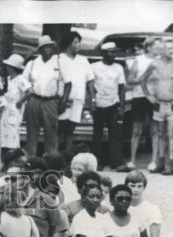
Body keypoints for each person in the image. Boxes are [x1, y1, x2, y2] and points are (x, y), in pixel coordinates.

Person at [140, 39, 173, 175]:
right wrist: (148, 95)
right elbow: (142, 79)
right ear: (162, 50)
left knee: (170, 134)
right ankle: (160, 162)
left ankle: (170, 164)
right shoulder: (154, 64)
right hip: (159, 103)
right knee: (159, 134)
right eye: (169, 48)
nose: (172, 51)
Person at [22, 36, 68, 156]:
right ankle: (30, 160)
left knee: (51, 133)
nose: (48, 49)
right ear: (39, 49)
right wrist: (27, 92)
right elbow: (22, 81)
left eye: (50, 47)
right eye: (44, 47)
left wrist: (63, 101)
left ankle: (51, 160)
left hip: (51, 101)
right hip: (34, 100)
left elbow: (69, 83)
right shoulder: (32, 63)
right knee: (32, 133)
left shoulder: (59, 63)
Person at [90, 43, 128, 171]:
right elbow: (90, 85)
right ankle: (98, 162)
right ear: (103, 53)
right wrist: (92, 100)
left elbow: (122, 88)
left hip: (114, 104)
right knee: (97, 135)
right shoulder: (94, 67)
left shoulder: (119, 67)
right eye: (110, 52)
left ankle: (116, 162)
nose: (114, 55)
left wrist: (122, 106)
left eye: (115, 52)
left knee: (116, 135)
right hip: (99, 104)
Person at [57, 31, 94, 151]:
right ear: (69, 44)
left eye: (79, 42)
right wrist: (61, 100)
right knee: (59, 129)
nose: (79, 45)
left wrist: (92, 99)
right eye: (76, 43)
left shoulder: (83, 60)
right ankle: (55, 158)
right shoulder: (59, 59)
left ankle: (68, 157)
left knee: (70, 130)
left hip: (78, 100)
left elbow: (90, 81)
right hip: (63, 100)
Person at [125, 37, 156, 170]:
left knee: (155, 130)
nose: (158, 49)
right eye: (156, 47)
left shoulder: (159, 61)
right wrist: (143, 79)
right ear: (148, 47)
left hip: (155, 98)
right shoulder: (139, 59)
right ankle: (132, 160)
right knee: (137, 130)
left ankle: (154, 161)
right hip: (139, 96)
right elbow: (130, 80)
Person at [0, 53, 28, 162]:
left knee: (12, 137)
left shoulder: (21, 79)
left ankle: (13, 161)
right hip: (6, 111)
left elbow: (29, 91)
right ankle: (5, 161)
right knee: (4, 137)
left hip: (14, 112)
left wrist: (20, 101)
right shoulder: (8, 79)